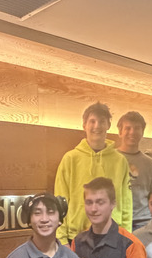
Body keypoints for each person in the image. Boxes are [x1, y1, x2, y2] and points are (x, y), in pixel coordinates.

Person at [54, 102, 133, 243]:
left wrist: (126, 237)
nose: (97, 126)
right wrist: (62, 239)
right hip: (77, 237)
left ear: (108, 126)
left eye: (102, 121)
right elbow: (60, 201)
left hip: (113, 237)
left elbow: (126, 202)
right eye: (92, 121)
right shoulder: (70, 159)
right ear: (84, 125)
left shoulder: (120, 161)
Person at [115, 110, 152, 230]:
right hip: (115, 221)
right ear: (120, 132)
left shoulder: (151, 164)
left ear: (142, 132)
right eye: (128, 128)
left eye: (137, 128)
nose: (132, 132)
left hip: (143, 222)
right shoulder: (108, 159)